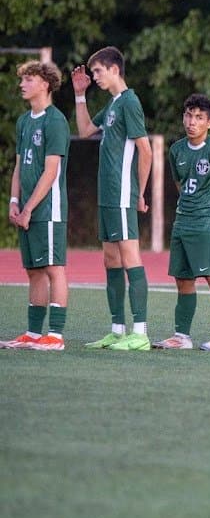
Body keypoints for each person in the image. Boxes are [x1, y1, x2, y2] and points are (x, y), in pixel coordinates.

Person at [71, 47, 152, 351]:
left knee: (130, 256)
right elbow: (85, 130)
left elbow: (145, 150)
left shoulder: (130, 102)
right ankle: (118, 330)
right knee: (110, 259)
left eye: (98, 72)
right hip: (107, 196)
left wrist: (139, 192)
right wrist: (80, 94)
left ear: (115, 69)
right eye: (92, 74)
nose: (94, 78)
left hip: (121, 195)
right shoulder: (114, 104)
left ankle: (140, 333)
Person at [151, 95, 210, 351]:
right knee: (183, 279)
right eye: (189, 115)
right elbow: (180, 184)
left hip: (207, 223)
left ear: (209, 123)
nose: (192, 122)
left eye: (199, 117)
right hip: (182, 223)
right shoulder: (176, 150)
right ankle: (182, 336)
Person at [3, 61, 70, 350]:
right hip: (27, 206)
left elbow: (51, 170)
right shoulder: (23, 121)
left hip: (48, 208)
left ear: (44, 83)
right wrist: (14, 201)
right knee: (33, 270)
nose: (22, 84)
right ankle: (32, 334)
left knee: (53, 267)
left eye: (28, 79)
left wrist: (30, 207)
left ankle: (55, 336)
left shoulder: (55, 121)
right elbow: (20, 166)